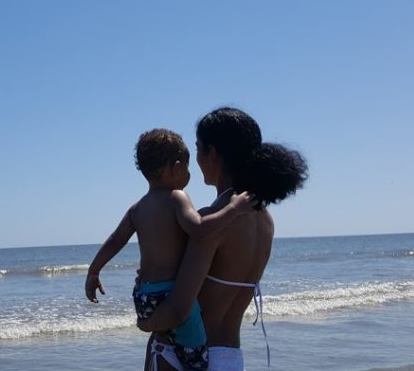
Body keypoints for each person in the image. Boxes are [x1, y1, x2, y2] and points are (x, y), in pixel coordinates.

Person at [137, 108, 308, 371]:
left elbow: (179, 309)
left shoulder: (212, 218)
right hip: (229, 357)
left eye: (198, 148)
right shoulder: (265, 220)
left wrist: (144, 323)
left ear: (212, 153)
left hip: (181, 356)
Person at [85, 128, 254, 371]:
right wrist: (234, 209)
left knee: (167, 337)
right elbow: (199, 228)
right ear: (176, 167)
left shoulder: (137, 209)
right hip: (169, 294)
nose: (189, 174)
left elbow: (115, 240)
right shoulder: (178, 198)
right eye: (186, 167)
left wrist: (94, 271)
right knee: (196, 346)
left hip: (143, 296)